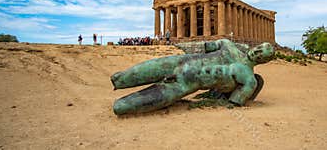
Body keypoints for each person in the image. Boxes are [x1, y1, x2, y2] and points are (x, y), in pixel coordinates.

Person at [111, 39, 274, 115]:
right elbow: (202, 46)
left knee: (121, 107)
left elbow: (232, 102)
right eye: (259, 49)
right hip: (177, 62)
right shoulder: (229, 45)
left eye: (262, 56)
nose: (257, 53)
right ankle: (120, 81)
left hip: (184, 84)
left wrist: (211, 98)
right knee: (120, 79)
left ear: (264, 62)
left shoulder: (249, 80)